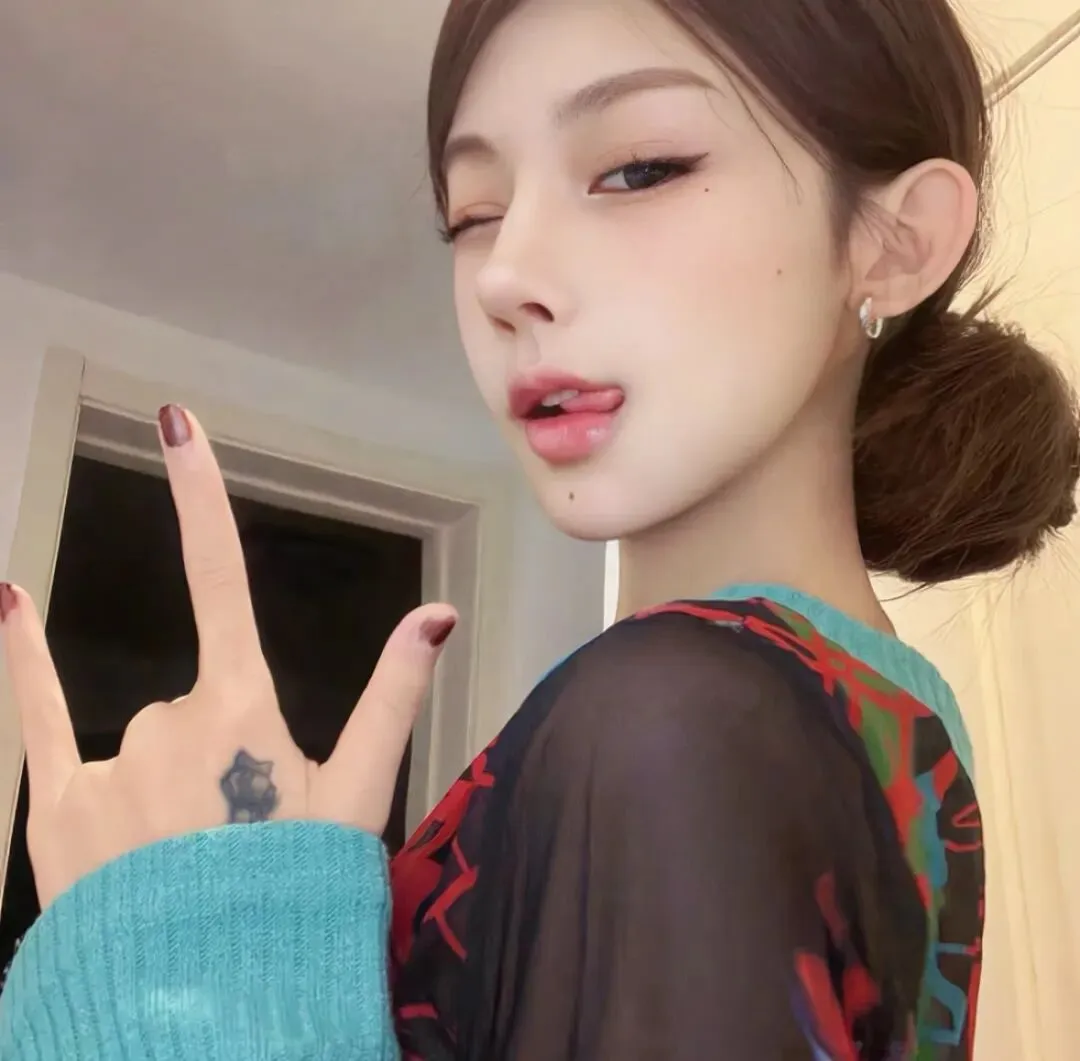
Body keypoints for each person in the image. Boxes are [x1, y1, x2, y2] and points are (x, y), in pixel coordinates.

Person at [1, 0, 1078, 1057]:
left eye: (639, 169)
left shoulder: (677, 715)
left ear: (895, 242)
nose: (505, 276)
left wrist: (175, 979)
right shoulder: (877, 727)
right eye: (474, 214)